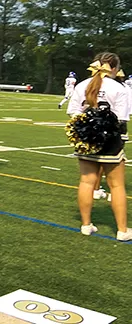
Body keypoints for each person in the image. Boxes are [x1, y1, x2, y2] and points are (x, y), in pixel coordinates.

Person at [67, 53, 132, 241]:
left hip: (86, 140)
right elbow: (121, 119)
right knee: (117, 186)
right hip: (110, 141)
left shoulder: (81, 85)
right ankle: (122, 230)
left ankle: (86, 225)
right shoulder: (119, 88)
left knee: (86, 182)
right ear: (114, 68)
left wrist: (88, 130)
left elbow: (73, 114)